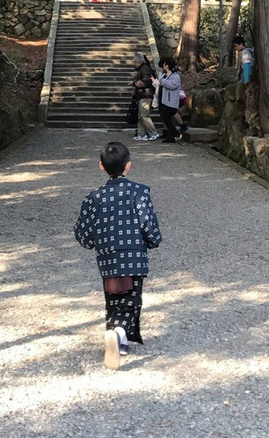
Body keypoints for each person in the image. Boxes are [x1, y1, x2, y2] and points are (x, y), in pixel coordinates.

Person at [74, 141, 163, 370]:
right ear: (128, 166)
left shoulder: (94, 198)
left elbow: (82, 232)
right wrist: (153, 240)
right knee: (131, 299)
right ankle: (119, 332)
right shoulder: (139, 192)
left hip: (108, 256)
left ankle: (118, 340)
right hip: (134, 254)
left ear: (101, 166)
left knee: (113, 297)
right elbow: (147, 223)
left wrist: (96, 242)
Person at [153, 57, 182, 143]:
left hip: (170, 101)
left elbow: (173, 85)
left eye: (164, 64)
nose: (163, 66)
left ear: (167, 65)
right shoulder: (163, 75)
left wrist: (163, 81)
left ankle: (174, 133)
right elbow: (159, 84)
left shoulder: (175, 75)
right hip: (162, 100)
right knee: (165, 118)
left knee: (166, 117)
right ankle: (169, 135)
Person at [131, 53, 159, 141]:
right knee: (141, 116)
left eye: (134, 61)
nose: (133, 63)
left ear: (138, 61)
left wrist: (135, 83)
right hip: (142, 95)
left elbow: (146, 81)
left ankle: (153, 133)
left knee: (145, 115)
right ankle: (141, 134)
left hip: (145, 95)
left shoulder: (145, 69)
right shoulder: (141, 69)